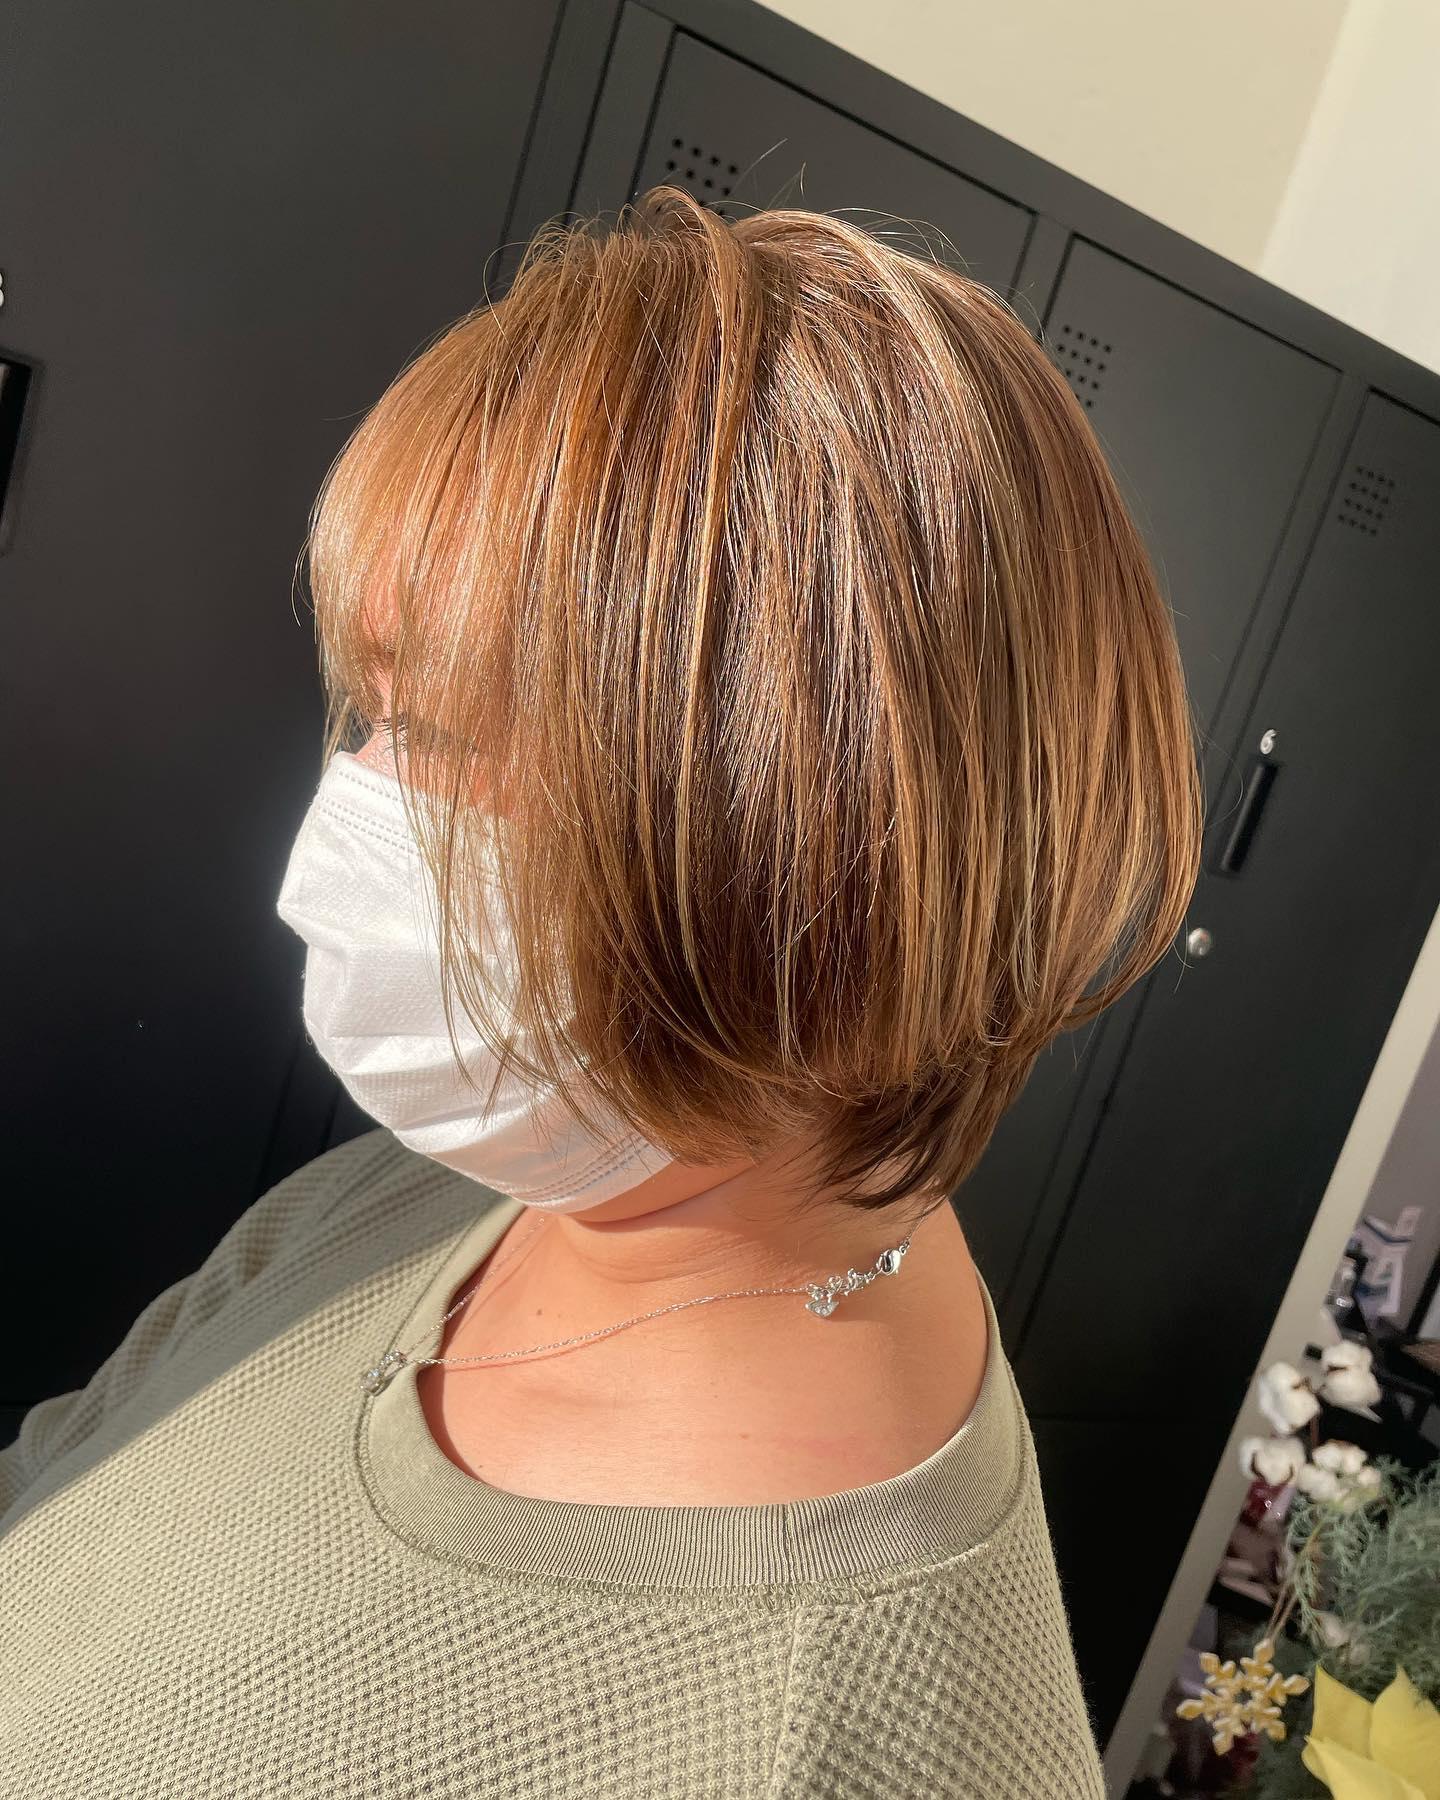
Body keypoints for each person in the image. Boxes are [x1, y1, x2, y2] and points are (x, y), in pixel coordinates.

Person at [0, 188, 1201, 1797]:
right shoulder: (442, 1198)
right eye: (364, 715)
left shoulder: (826, 1749)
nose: (346, 818)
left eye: (431, 732)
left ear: (789, 834)